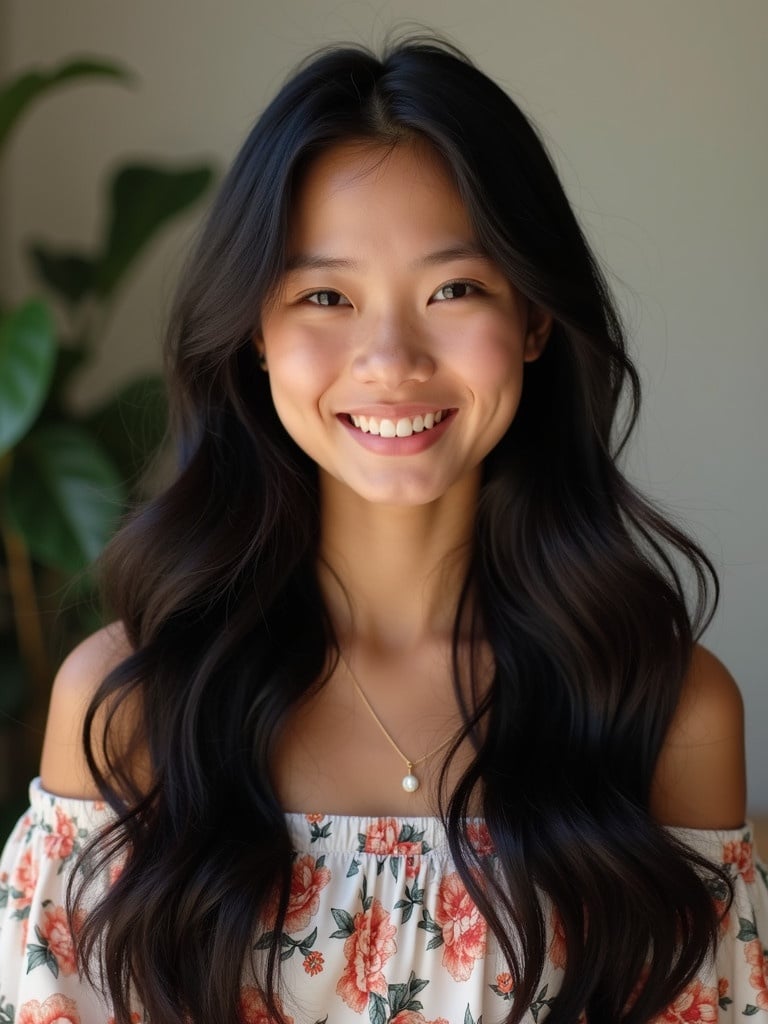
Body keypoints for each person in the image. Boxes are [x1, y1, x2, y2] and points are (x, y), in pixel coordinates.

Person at [0, 36, 765, 1024]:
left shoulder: (664, 709)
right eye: (326, 296)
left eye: (455, 289)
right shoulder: (133, 706)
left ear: (533, 321)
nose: (391, 358)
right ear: (254, 335)